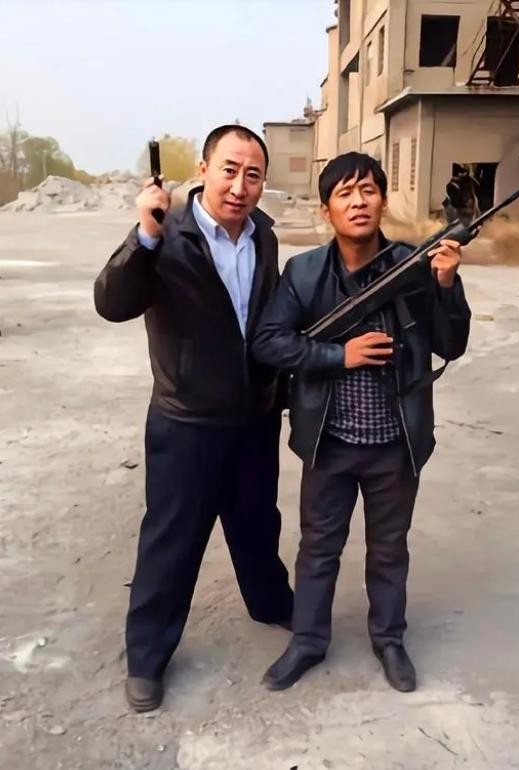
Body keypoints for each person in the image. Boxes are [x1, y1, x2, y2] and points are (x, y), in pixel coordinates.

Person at [252, 152, 471, 692]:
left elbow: (451, 344)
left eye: (368, 190)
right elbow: (269, 342)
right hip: (328, 442)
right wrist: (338, 355)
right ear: (326, 209)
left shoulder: (416, 266)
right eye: (345, 193)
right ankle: (307, 641)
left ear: (383, 201)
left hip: (396, 443)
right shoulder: (304, 273)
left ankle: (389, 640)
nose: (358, 202)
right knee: (318, 548)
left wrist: (446, 285)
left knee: (390, 549)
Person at [93, 124, 293, 712]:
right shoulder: (167, 233)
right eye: (229, 170)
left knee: (257, 523)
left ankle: (271, 603)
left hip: (253, 416)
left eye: (252, 175)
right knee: (172, 541)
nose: (239, 186)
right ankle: (147, 657)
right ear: (203, 171)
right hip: (186, 422)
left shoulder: (263, 236)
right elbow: (112, 303)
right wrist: (145, 235)